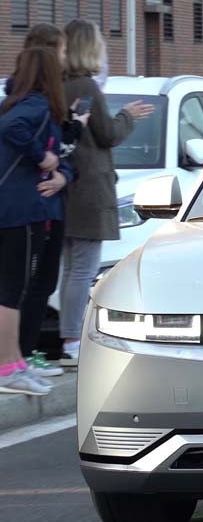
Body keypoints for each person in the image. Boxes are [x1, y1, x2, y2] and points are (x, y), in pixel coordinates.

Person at [59, 20, 154, 367]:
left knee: (72, 268)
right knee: (82, 269)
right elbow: (106, 134)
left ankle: (69, 337)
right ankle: (71, 341)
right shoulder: (86, 85)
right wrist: (127, 116)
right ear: (89, 47)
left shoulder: (63, 84)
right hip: (89, 190)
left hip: (69, 189)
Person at [6, 24, 87, 378]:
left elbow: (64, 155)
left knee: (38, 283)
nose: (67, 58)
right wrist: (46, 158)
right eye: (63, 52)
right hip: (28, 207)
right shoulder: (32, 101)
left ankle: (22, 357)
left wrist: (63, 175)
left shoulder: (45, 100)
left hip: (47, 204)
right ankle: (16, 359)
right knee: (19, 287)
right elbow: (18, 134)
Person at [0, 47, 70, 395]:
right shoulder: (36, 106)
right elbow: (12, 129)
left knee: (11, 289)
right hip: (20, 211)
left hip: (14, 209)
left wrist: (58, 170)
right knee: (12, 290)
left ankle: (15, 363)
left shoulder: (14, 101)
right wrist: (42, 155)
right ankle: (8, 368)